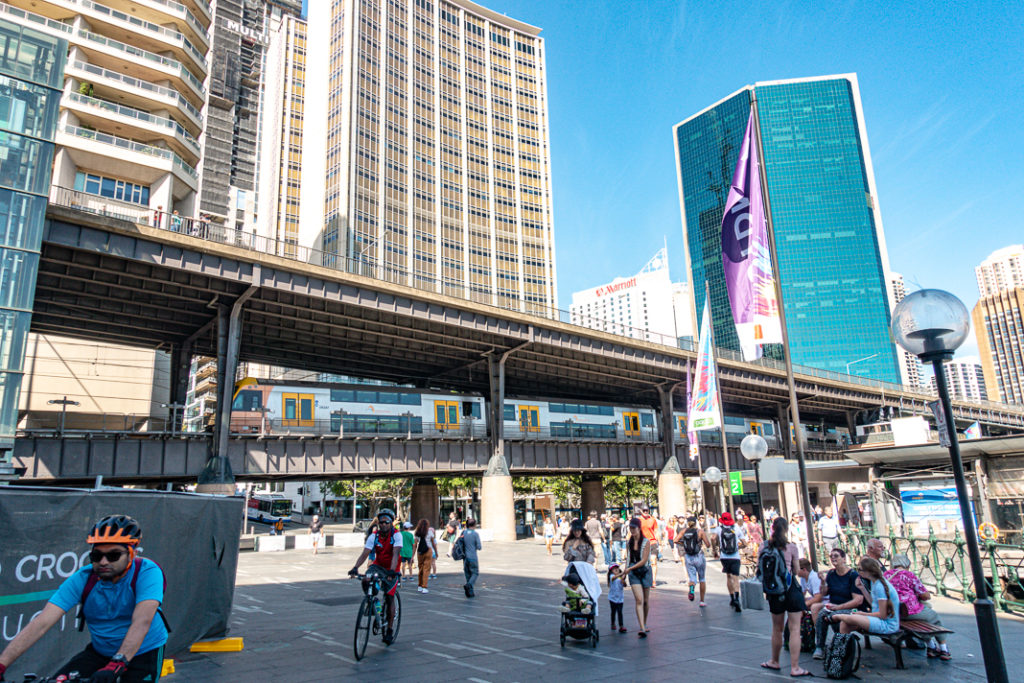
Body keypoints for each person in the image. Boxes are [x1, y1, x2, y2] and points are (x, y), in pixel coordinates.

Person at [0, 515, 168, 683]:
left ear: (133, 554)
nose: (103, 562)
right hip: (100, 652)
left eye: (113, 555)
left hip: (143, 652)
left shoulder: (147, 572)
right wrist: (2, 664)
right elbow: (41, 623)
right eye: (97, 555)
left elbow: (142, 621)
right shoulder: (84, 578)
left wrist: (118, 663)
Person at [758, 517, 811, 677]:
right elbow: (795, 571)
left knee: (777, 629)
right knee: (794, 628)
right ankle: (795, 668)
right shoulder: (792, 547)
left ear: (772, 528)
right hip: (791, 590)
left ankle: (774, 661)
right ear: (786, 530)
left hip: (774, 592)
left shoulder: (763, 546)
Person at [348, 508, 402, 644]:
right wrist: (355, 567)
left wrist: (391, 571)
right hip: (377, 565)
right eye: (381, 522)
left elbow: (395, 554)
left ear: (391, 523)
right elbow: (365, 553)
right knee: (366, 579)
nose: (383, 525)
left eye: (387, 522)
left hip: (392, 568)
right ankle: (372, 601)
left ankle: (389, 629)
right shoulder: (374, 536)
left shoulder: (397, 535)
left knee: (390, 598)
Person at [885, 554, 950, 660]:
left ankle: (931, 647)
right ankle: (943, 649)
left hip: (893, 612)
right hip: (910, 611)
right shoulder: (909, 575)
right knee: (933, 618)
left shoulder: (886, 575)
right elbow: (925, 596)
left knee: (922, 621)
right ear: (907, 564)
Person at [810, 547, 864, 659]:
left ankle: (836, 645)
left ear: (844, 559)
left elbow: (858, 600)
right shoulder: (831, 573)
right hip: (833, 606)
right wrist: (823, 582)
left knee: (828, 615)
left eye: (836, 556)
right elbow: (824, 593)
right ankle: (820, 646)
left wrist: (838, 607)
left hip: (849, 608)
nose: (833, 558)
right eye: (831, 556)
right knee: (821, 613)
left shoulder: (852, 575)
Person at [832, 557, 900, 637]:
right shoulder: (874, 582)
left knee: (853, 618)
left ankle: (837, 616)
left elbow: (883, 615)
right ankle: (842, 648)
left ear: (868, 571)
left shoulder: (879, 586)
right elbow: (873, 603)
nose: (858, 572)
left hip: (886, 624)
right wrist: (862, 588)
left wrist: (863, 614)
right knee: (844, 624)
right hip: (878, 620)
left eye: (860, 569)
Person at [623, 518, 652, 637]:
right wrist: (625, 572)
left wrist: (630, 568)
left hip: (645, 571)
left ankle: (644, 624)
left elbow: (644, 560)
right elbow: (628, 558)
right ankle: (642, 627)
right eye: (630, 528)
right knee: (639, 599)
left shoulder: (646, 541)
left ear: (639, 528)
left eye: (634, 528)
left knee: (645, 601)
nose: (632, 530)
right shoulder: (628, 542)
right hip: (633, 572)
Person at [715, 511, 747, 612]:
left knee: (728, 577)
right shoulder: (736, 528)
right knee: (736, 578)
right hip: (735, 556)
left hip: (724, 556)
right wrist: (738, 547)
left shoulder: (719, 529)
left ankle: (732, 598)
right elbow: (744, 543)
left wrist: (715, 549)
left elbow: (712, 538)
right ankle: (737, 598)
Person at [680, 516, 710, 606]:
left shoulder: (684, 531)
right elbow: (708, 544)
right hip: (699, 556)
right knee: (702, 578)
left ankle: (692, 590)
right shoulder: (700, 531)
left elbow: (675, 540)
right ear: (696, 522)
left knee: (692, 578)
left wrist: (684, 544)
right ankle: (702, 601)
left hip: (688, 557)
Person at [461, 518, 482, 597]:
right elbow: (479, 547)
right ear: (474, 525)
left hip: (465, 557)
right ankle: (469, 585)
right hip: (473, 557)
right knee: (475, 573)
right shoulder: (475, 534)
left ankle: (470, 592)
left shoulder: (464, 532)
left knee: (467, 574)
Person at [638, 505, 660, 585]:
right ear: (641, 511)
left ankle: (653, 580)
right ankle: (645, 578)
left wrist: (659, 543)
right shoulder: (638, 520)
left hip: (652, 543)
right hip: (643, 544)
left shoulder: (653, 520)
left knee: (653, 561)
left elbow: (656, 531)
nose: (645, 512)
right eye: (644, 510)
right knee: (643, 563)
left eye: (647, 510)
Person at [413, 518, 436, 593]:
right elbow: (433, 543)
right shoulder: (429, 532)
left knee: (421, 568)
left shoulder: (417, 532)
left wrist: (412, 555)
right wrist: (436, 552)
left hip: (420, 551)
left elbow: (415, 545)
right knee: (427, 569)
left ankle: (419, 585)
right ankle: (424, 587)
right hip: (428, 550)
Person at [607, 564, 626, 633]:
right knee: (613, 611)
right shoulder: (612, 576)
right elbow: (614, 578)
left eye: (617, 568)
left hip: (620, 598)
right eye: (614, 569)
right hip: (612, 598)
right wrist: (622, 573)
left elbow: (625, 585)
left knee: (620, 612)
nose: (616, 569)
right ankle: (613, 623)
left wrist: (623, 579)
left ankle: (621, 626)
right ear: (611, 571)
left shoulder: (620, 578)